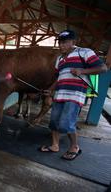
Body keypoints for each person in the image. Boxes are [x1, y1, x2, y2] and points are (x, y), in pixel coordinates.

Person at [39, 30, 108, 160]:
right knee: (53, 122)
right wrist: (51, 89)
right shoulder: (59, 59)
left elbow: (103, 68)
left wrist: (82, 70)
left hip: (75, 95)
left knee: (66, 124)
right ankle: (55, 145)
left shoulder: (85, 52)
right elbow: (58, 77)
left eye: (65, 43)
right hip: (59, 94)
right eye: (60, 43)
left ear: (74, 42)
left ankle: (74, 147)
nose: (61, 46)